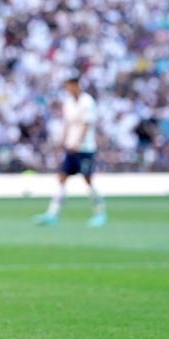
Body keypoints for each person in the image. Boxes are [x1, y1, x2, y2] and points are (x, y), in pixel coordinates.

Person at [35, 75, 107, 227]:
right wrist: (64, 142)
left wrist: (77, 143)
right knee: (62, 178)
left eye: (70, 86)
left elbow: (87, 124)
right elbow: (68, 124)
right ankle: (52, 214)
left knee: (88, 180)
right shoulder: (68, 103)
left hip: (85, 148)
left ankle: (100, 213)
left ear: (76, 85)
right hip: (71, 147)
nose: (68, 89)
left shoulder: (87, 102)